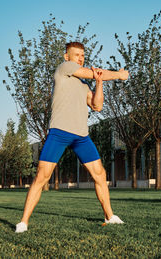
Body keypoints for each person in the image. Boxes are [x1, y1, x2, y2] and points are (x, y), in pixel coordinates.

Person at [15, 42, 129, 233]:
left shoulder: (83, 85)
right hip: (59, 132)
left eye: (83, 55)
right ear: (67, 56)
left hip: (81, 136)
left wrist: (100, 82)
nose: (80, 58)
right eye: (77, 55)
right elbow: (92, 72)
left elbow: (97, 106)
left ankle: (110, 216)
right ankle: (23, 222)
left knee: (100, 174)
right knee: (42, 177)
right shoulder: (64, 68)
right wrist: (119, 75)